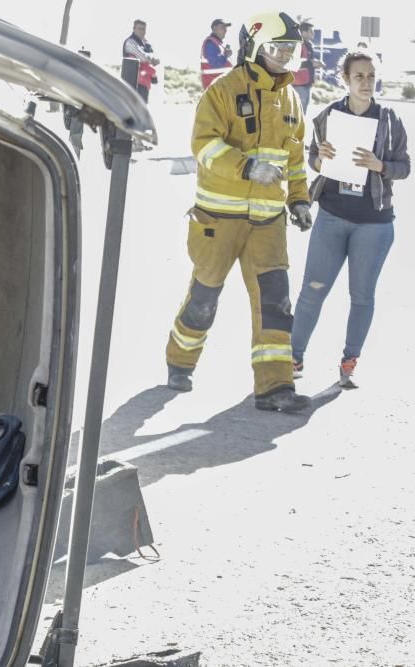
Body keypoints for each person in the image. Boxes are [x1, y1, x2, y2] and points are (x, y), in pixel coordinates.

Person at [164, 11, 313, 413]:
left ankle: (275, 386)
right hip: (218, 220)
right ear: (256, 46)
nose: (285, 55)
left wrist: (299, 199)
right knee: (205, 298)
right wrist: (246, 166)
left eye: (290, 49)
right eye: (278, 47)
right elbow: (205, 145)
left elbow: (295, 159)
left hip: (268, 223)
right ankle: (179, 361)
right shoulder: (223, 91)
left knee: (275, 302)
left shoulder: (292, 101)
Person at [290, 49, 410, 388]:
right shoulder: (328, 116)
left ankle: (349, 362)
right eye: (359, 76)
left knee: (362, 297)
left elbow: (404, 167)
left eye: (371, 76)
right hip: (331, 217)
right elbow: (313, 159)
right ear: (345, 79)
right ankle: (293, 359)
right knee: (312, 291)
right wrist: (320, 157)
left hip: (375, 224)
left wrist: (381, 166)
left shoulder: (389, 119)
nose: (366, 82)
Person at [123, 19, 159, 102]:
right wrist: (152, 60)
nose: (142, 31)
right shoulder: (130, 42)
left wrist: (153, 59)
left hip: (144, 83)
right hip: (133, 83)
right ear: (134, 29)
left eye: (143, 29)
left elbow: (153, 56)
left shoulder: (145, 43)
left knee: (142, 107)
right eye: (139, 28)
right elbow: (142, 56)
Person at [292, 22, 322, 113]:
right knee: (297, 112)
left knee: (303, 111)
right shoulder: (297, 45)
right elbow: (293, 63)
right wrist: (312, 63)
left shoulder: (308, 45)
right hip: (298, 84)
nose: (313, 33)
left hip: (306, 83)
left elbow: (308, 62)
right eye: (311, 31)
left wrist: (315, 67)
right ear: (303, 32)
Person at [200, 19, 233, 89]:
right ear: (214, 29)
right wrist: (226, 55)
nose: (225, 30)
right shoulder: (210, 43)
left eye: (226, 28)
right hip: (214, 87)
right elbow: (215, 63)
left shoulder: (217, 43)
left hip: (219, 85)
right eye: (222, 27)